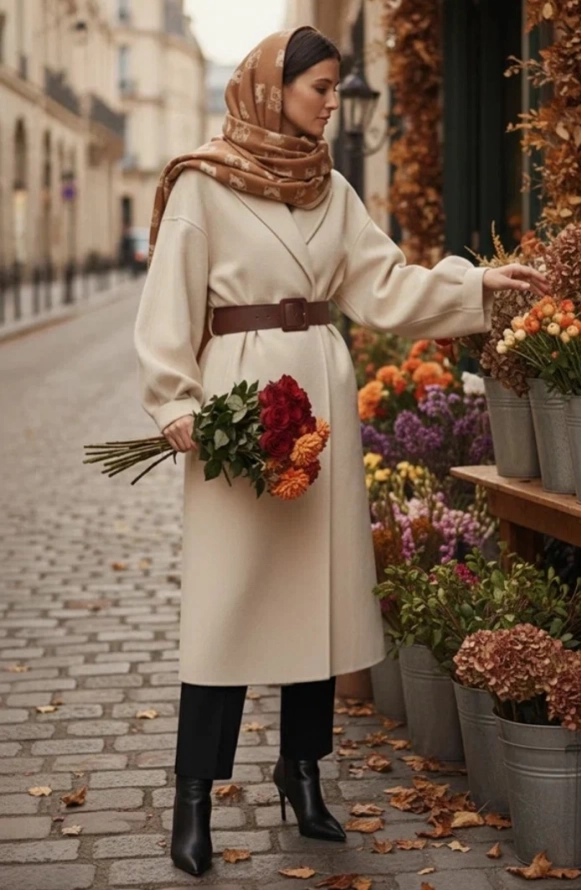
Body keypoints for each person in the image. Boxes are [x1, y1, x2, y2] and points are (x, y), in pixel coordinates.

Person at [133, 26, 549, 879]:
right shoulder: (202, 183)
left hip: (321, 397)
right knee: (226, 606)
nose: (330, 102)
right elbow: (168, 300)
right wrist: (175, 400)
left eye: (334, 88)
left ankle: (302, 771)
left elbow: (383, 284)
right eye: (319, 87)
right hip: (238, 405)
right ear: (270, 86)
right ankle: (192, 797)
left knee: (315, 601)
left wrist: (475, 287)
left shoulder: (332, 188)